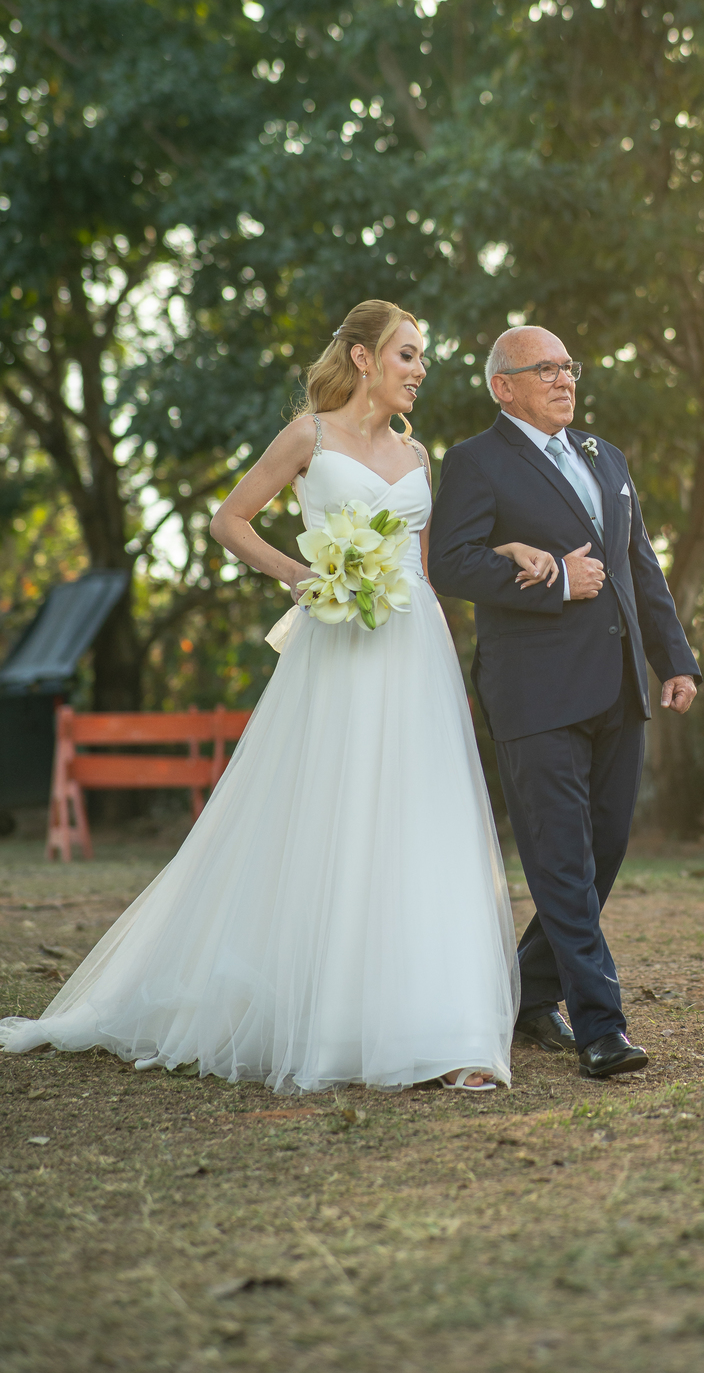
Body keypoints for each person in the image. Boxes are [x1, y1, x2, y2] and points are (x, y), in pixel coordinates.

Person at [0, 301, 540, 1096]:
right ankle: (326, 1014)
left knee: (419, 817)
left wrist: (502, 557)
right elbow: (229, 521)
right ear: (363, 358)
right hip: (338, 645)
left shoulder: (418, 453)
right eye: (407, 354)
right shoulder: (308, 436)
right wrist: (301, 574)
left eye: (422, 357)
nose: (420, 369)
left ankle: (440, 1026)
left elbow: (430, 567)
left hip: (415, 646)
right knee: (331, 811)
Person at [428, 325, 702, 1080]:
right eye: (543, 369)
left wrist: (674, 658)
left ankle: (524, 991)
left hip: (619, 686)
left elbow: (638, 564)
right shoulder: (476, 461)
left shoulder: (605, 456)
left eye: (567, 367)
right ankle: (601, 1028)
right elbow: (449, 563)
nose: (563, 379)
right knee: (561, 862)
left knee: (602, 852)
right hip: (535, 692)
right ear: (503, 387)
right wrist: (553, 579)